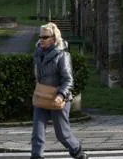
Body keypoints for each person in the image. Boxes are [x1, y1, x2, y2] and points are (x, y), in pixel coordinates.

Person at [31, 22, 88, 159]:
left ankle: (77, 151)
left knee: (62, 133)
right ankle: (36, 156)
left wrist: (61, 94)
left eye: (45, 37)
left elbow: (68, 80)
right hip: (42, 96)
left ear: (54, 38)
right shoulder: (38, 53)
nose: (41, 40)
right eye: (40, 36)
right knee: (37, 132)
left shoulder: (63, 55)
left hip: (58, 98)